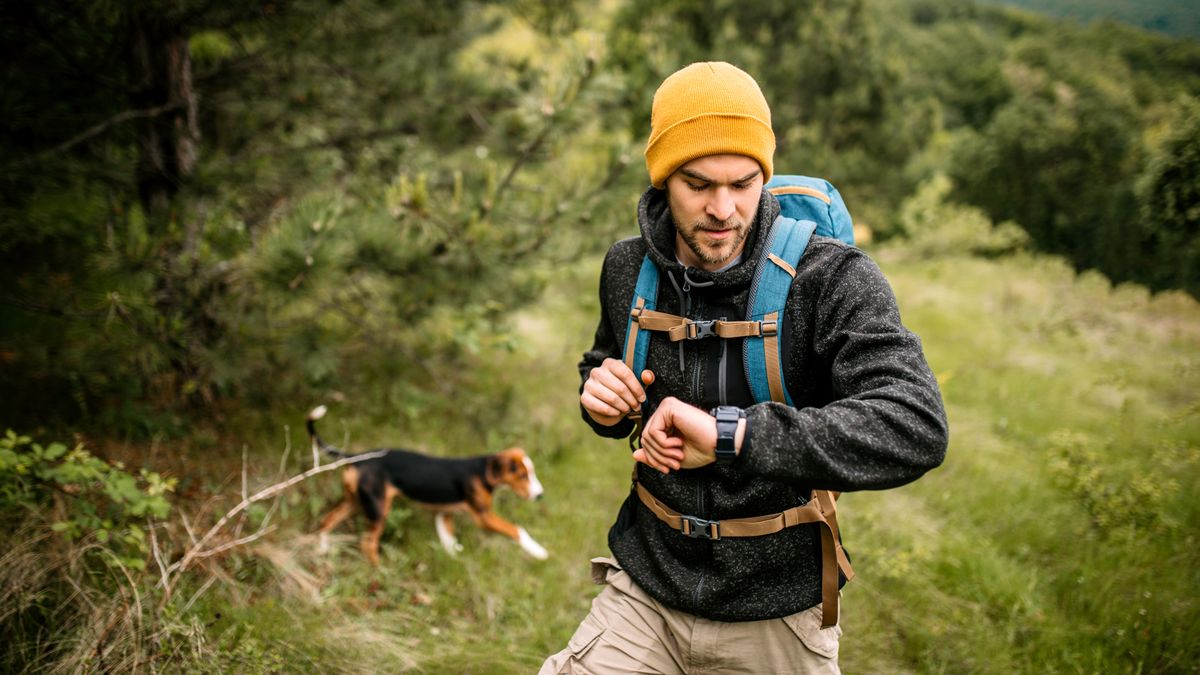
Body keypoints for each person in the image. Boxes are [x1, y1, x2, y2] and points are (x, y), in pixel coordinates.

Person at [540, 62, 948, 674]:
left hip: (778, 609)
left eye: (745, 182)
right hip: (647, 588)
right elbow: (604, 361)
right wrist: (600, 397)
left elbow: (915, 425)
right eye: (697, 184)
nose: (723, 209)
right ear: (661, 179)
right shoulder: (628, 269)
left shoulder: (830, 276)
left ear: (766, 175)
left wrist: (735, 436)